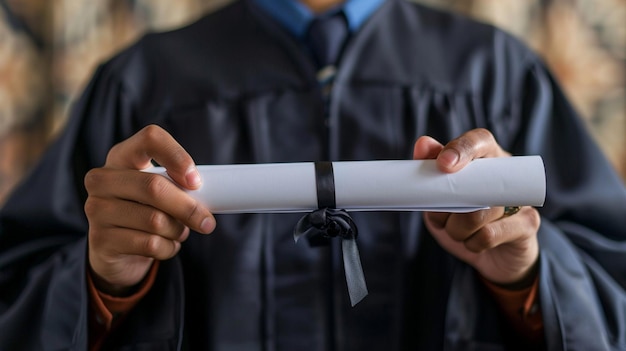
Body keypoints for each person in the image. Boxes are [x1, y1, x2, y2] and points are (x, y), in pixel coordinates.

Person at [0, 0, 625, 349]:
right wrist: (103, 282)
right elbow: (20, 298)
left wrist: (526, 276)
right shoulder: (142, 85)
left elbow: (612, 295)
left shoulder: (497, 74)